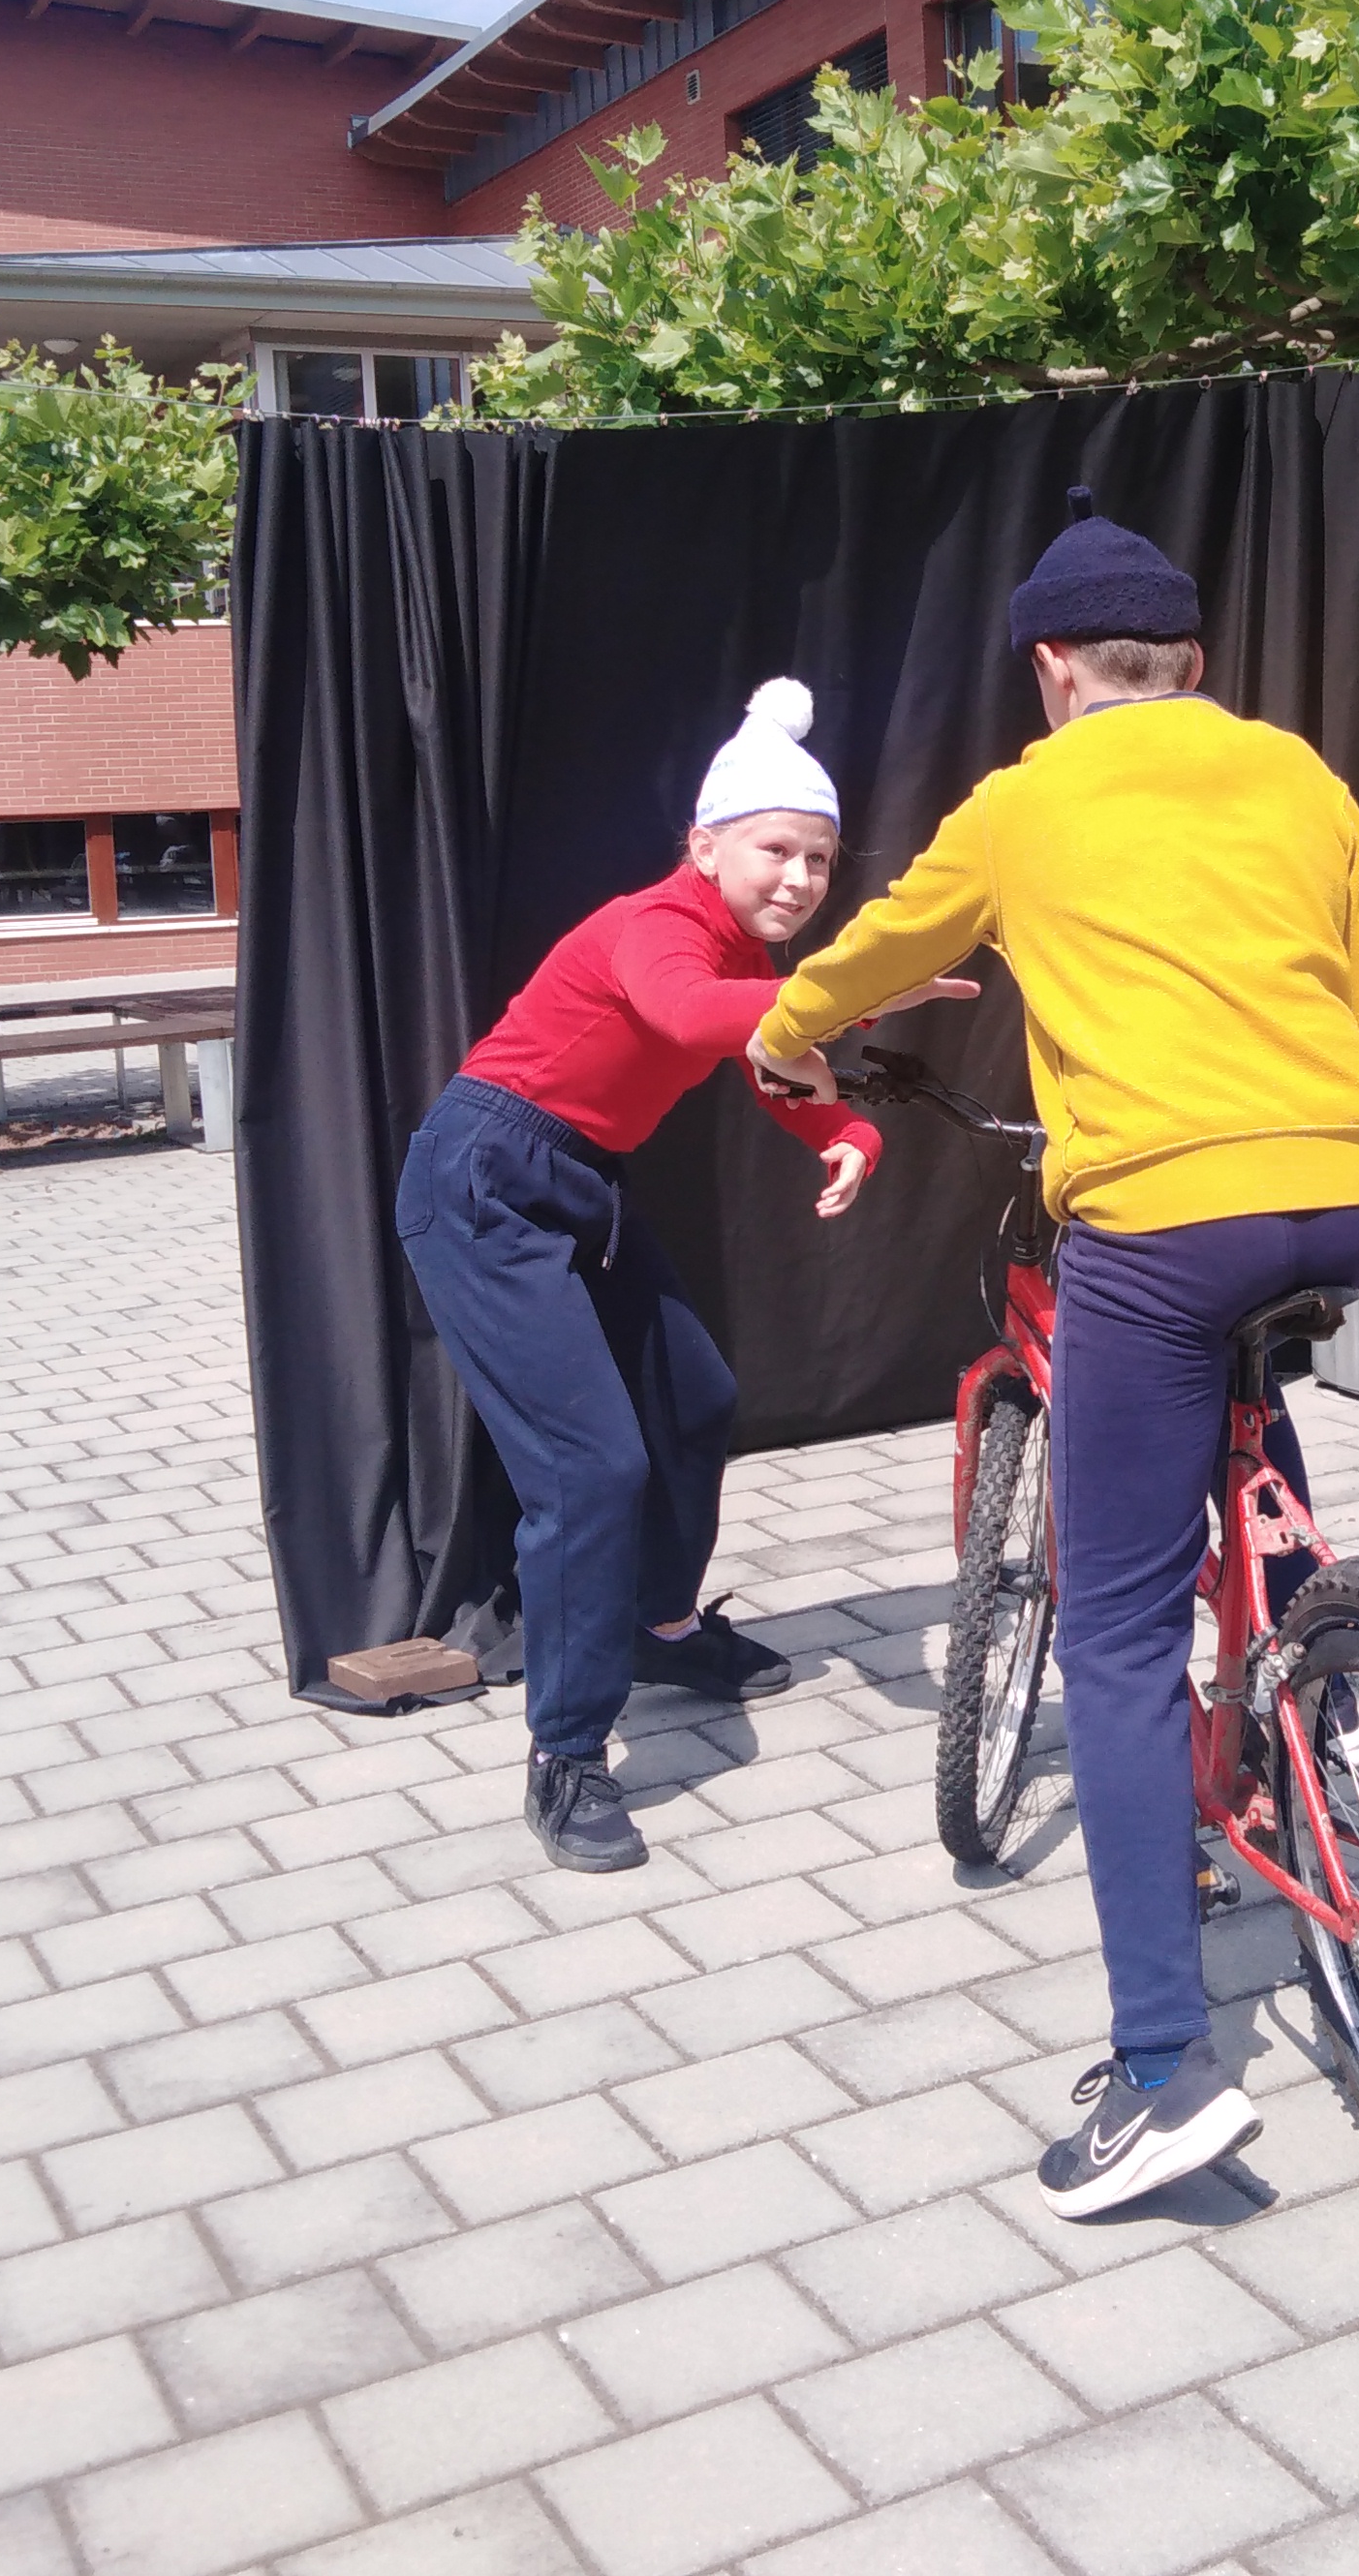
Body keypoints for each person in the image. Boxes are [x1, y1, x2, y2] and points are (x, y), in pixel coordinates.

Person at [751, 489, 1359, 2221]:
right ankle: (1318, 1677)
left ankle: (1160, 2071)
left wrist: (790, 1030)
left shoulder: (1026, 800)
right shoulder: (1295, 774)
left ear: (1053, 667)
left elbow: (884, 944)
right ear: (1189, 659)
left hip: (1163, 1223)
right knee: (1240, 1414)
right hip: (1340, 1197)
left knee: (1116, 1643)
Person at [387, 680, 970, 1876]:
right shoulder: (653, 925)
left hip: (577, 1182)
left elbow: (764, 1056)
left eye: (818, 859)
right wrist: (851, 990)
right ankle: (566, 1752)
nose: (799, 879)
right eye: (775, 851)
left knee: (694, 1402)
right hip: (484, 1180)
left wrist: (846, 1133)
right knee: (588, 1469)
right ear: (704, 846)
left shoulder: (744, 953)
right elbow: (688, 1010)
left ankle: (659, 1625)